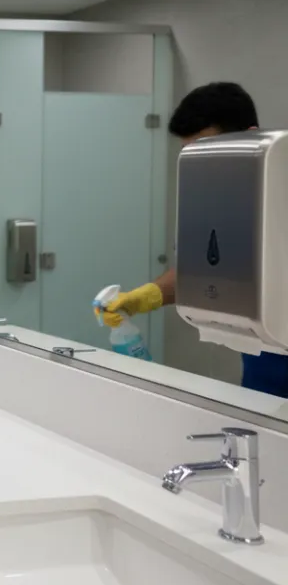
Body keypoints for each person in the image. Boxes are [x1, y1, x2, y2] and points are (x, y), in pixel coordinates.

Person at [101, 82, 288, 396]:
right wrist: (145, 296)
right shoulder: (211, 202)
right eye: (193, 152)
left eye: (208, 147)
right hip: (261, 383)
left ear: (251, 135)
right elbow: (200, 272)